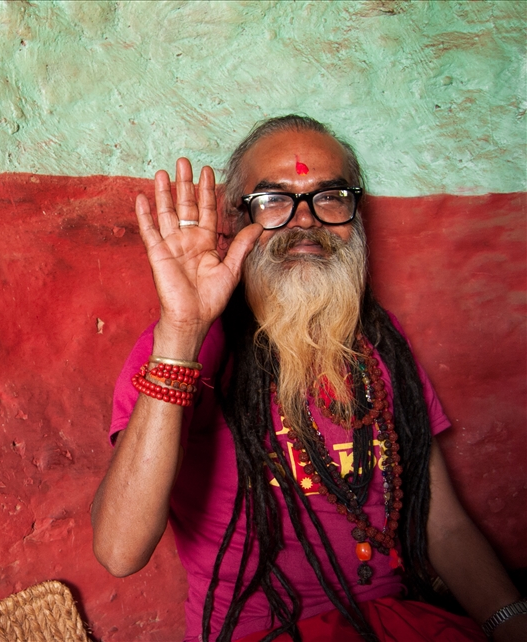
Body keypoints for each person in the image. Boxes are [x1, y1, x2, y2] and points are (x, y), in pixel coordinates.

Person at [91, 115, 526, 642]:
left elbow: (444, 522)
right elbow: (118, 552)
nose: (305, 221)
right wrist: (183, 331)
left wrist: (509, 621)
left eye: (330, 197)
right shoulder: (183, 349)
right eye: (274, 201)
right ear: (236, 220)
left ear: (354, 218)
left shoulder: (382, 346)